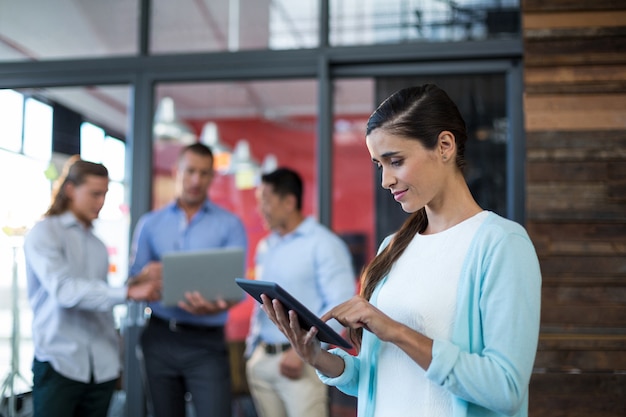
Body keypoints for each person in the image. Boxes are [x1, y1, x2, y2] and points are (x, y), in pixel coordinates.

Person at [260, 84, 542, 417]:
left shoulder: (501, 244)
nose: (386, 180)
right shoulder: (393, 247)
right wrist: (318, 358)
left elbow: (505, 389)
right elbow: (377, 376)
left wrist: (395, 331)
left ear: (444, 146)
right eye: (380, 165)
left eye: (396, 161)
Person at [23, 156, 161, 417]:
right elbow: (65, 291)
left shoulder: (97, 244)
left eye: (105, 194)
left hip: (102, 365)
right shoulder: (44, 233)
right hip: (60, 363)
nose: (101, 202)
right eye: (95, 194)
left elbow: (95, 294)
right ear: (70, 190)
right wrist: (127, 292)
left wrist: (134, 283)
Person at [128, 142, 247, 417]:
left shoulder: (229, 224)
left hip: (207, 342)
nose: (196, 180)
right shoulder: (150, 224)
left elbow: (236, 287)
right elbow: (133, 283)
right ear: (176, 171)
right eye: (190, 171)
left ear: (212, 178)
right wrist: (146, 278)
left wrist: (214, 307)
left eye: (205, 173)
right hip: (159, 337)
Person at [245, 167, 356, 417]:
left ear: (289, 202)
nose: (260, 208)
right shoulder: (266, 246)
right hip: (263, 359)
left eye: (266, 200)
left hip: (300, 362)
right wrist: (252, 351)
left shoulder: (323, 244)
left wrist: (304, 350)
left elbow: (340, 304)